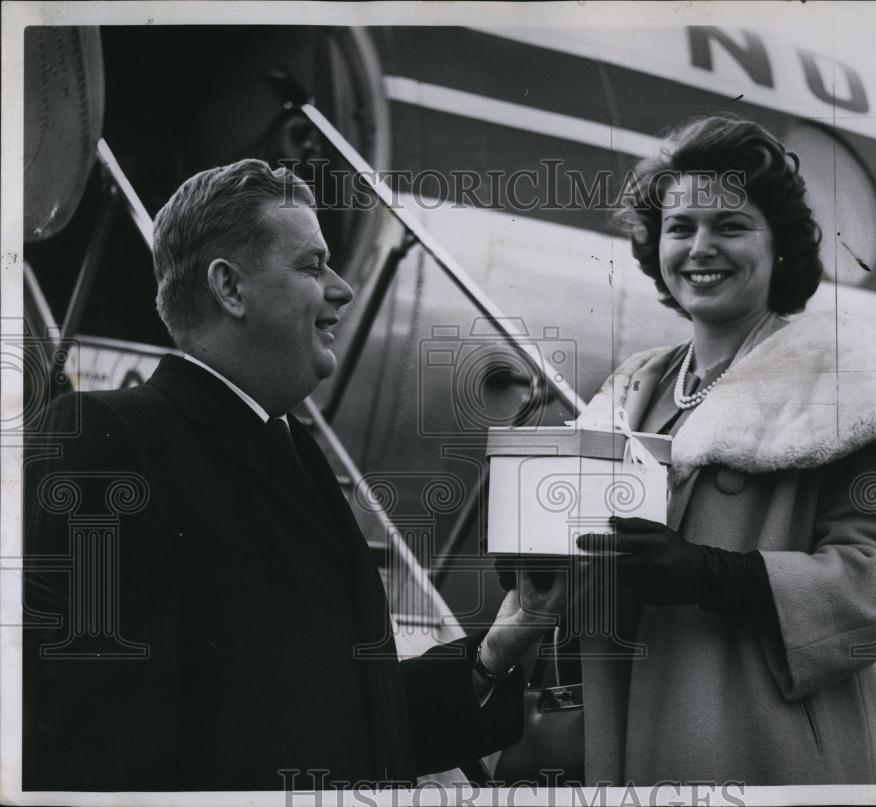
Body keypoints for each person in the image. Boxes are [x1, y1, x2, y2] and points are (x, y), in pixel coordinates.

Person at [22, 160, 563, 791]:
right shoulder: (109, 438)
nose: (343, 289)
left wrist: (502, 642)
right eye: (311, 266)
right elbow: (90, 736)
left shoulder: (295, 450)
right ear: (229, 288)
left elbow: (351, 721)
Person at [569, 115, 876, 785]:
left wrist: (718, 575)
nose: (701, 247)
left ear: (780, 245)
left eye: (731, 225)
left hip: (787, 760)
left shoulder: (856, 379)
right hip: (642, 749)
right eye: (680, 227)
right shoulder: (637, 385)